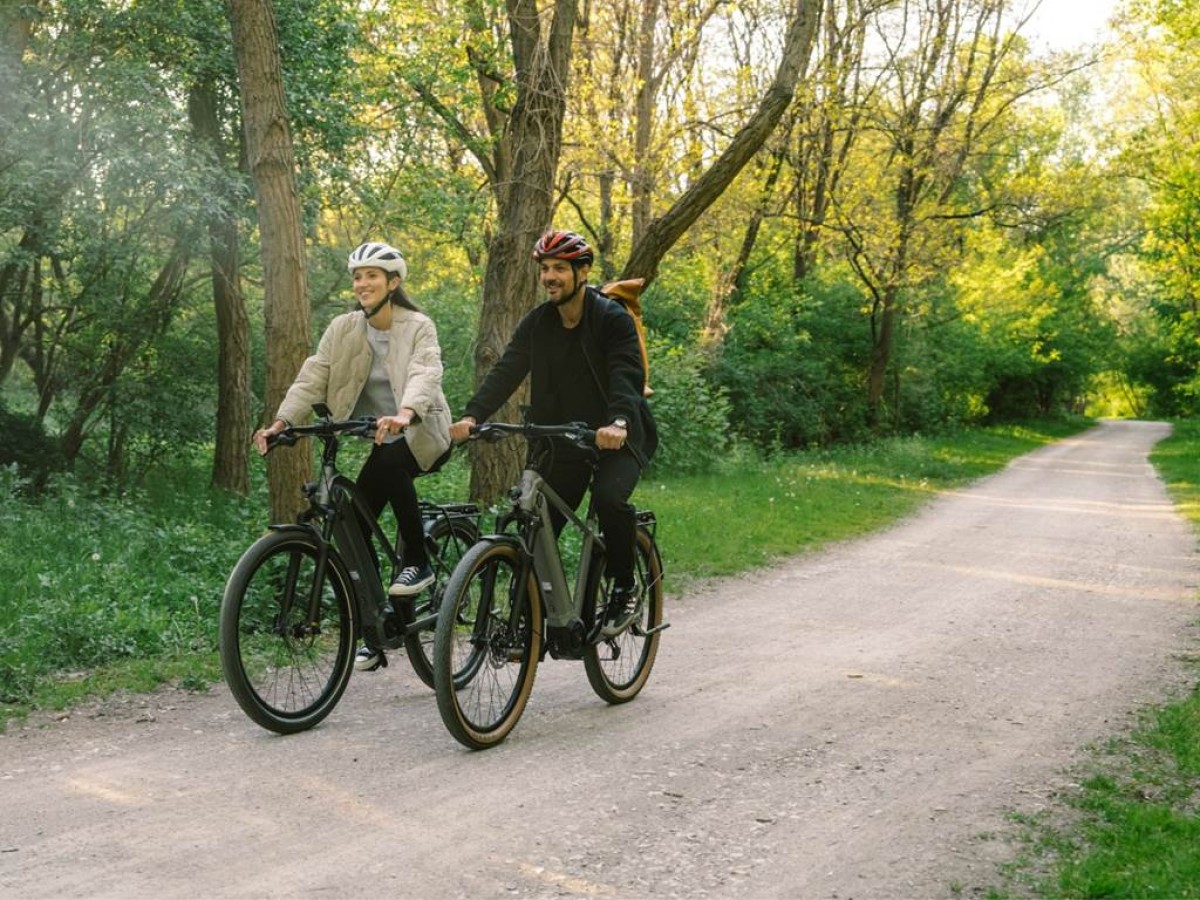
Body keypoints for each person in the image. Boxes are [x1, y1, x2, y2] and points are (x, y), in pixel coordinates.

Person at [253, 241, 452, 671]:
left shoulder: (418, 325)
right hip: (375, 434)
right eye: (358, 277)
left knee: (390, 460)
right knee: (356, 526)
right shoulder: (344, 328)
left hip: (419, 433)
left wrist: (404, 413)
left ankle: (418, 562)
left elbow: (426, 370)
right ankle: (380, 624)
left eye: (372, 276)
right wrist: (283, 422)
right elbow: (315, 374)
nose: (362, 284)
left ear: (393, 283)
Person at [449, 229, 657, 633]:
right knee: (537, 522)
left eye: (560, 268)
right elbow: (507, 369)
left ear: (582, 272)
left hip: (617, 436)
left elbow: (625, 374)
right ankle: (534, 611)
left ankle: (624, 587)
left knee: (609, 499)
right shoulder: (539, 323)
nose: (550, 276)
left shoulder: (610, 318)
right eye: (545, 269)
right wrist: (473, 416)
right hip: (562, 439)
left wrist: (616, 422)